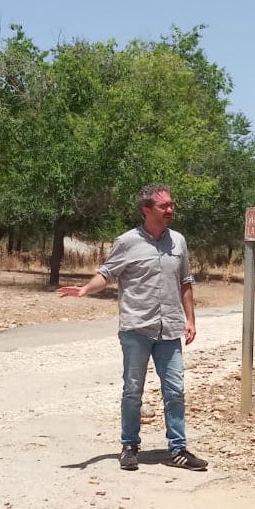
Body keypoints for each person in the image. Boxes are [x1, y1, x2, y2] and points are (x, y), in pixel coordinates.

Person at [59, 183, 208, 472]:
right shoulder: (127, 241)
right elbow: (107, 273)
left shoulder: (178, 241)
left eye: (171, 205)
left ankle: (177, 449)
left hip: (169, 329)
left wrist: (190, 319)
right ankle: (129, 445)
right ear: (146, 210)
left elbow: (185, 281)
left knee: (175, 390)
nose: (170, 210)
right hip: (136, 328)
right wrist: (84, 290)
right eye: (164, 206)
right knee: (133, 389)